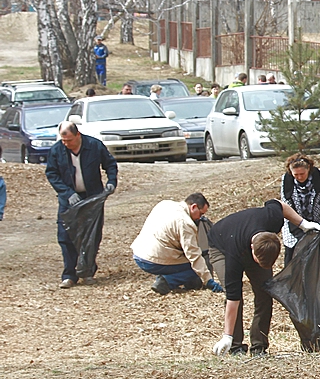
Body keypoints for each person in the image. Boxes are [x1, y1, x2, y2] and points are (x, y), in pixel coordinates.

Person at [209, 199, 320, 356]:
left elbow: (278, 204)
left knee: (265, 293)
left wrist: (303, 223)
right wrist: (226, 336)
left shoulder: (272, 219)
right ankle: (235, 346)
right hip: (221, 245)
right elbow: (232, 299)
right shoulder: (233, 255)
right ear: (252, 250)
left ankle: (259, 346)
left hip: (251, 237)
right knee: (237, 297)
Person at [45, 121, 118, 288]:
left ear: (77, 135)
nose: (66, 144)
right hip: (68, 200)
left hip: (92, 197)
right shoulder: (57, 150)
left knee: (91, 235)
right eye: (63, 140)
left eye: (69, 140)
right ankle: (69, 275)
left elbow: (110, 164)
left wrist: (111, 182)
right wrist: (67, 193)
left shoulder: (94, 145)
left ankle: (87, 271)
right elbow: (52, 173)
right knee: (66, 236)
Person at [131, 193, 224, 295]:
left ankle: (190, 283)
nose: (200, 218)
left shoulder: (165, 204)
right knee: (199, 265)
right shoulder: (185, 223)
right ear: (193, 207)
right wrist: (209, 281)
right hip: (152, 261)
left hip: (139, 254)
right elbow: (194, 256)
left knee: (193, 265)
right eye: (201, 214)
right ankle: (166, 282)